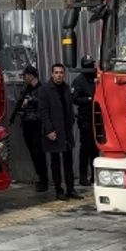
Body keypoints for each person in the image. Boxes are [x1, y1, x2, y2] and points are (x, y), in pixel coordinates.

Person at [37, 62, 78, 199]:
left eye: (61, 72)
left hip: (66, 131)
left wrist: (71, 121)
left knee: (68, 161)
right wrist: (49, 130)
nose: (59, 75)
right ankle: (59, 190)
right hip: (54, 131)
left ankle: (71, 189)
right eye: (56, 72)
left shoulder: (66, 88)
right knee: (55, 162)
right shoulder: (45, 89)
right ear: (52, 74)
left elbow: (69, 106)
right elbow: (43, 111)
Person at [9, 65, 48, 192]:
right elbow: (20, 105)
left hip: (37, 124)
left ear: (31, 75)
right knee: (32, 152)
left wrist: (30, 102)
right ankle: (39, 177)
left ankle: (44, 180)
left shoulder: (41, 89)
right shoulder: (26, 89)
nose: (24, 78)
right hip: (27, 124)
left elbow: (43, 104)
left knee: (38, 153)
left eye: (25, 75)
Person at [72, 56, 99, 187]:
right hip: (85, 119)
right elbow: (74, 98)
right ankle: (83, 176)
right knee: (85, 148)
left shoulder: (96, 78)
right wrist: (89, 100)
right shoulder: (79, 81)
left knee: (95, 148)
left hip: (97, 118)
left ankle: (95, 175)